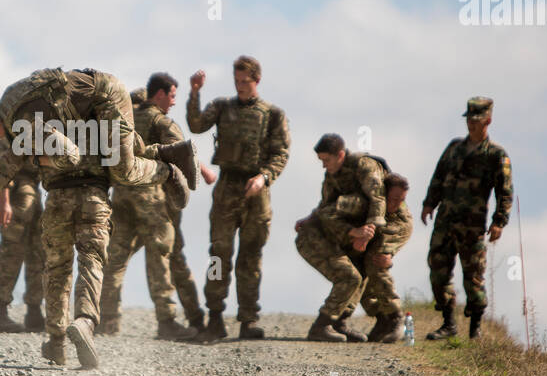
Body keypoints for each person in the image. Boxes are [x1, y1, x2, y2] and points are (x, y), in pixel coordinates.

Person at [0, 68, 197, 367]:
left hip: (107, 94)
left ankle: (168, 169)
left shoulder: (28, 125)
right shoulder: (13, 106)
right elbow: (8, 163)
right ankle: (74, 329)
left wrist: (37, 158)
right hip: (92, 174)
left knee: (122, 168)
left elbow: (68, 155)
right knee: (87, 256)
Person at [99, 75, 215, 340]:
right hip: (148, 195)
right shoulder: (159, 120)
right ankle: (167, 322)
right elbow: (182, 152)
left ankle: (107, 323)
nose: (173, 102)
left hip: (120, 194)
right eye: (172, 96)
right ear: (159, 94)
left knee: (115, 259)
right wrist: (205, 173)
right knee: (160, 255)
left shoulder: (126, 115)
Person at [186, 56, 290, 341]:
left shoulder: (273, 115)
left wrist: (264, 177)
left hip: (255, 190)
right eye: (237, 81)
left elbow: (281, 154)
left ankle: (247, 320)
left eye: (246, 81)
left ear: (257, 80)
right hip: (227, 187)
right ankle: (215, 316)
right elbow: (195, 125)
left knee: (250, 257)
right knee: (219, 254)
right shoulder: (222, 107)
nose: (241, 86)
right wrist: (195, 93)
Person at [422, 96, 514, 340]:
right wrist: (429, 203)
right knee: (437, 270)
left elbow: (505, 192)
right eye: (469, 120)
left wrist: (499, 222)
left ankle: (475, 330)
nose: (471, 125)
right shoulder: (454, 148)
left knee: (473, 278)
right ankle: (448, 323)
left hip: (472, 227)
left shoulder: (496, 155)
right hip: (445, 221)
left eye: (477, 120)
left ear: (488, 120)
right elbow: (438, 177)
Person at [294, 133, 387, 342]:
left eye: (326, 160)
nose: (324, 166)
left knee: (360, 275)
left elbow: (378, 200)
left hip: (340, 235)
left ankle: (339, 323)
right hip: (315, 239)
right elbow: (325, 208)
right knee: (349, 277)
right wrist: (353, 232)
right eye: (321, 161)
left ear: (341, 155)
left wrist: (367, 232)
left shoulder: (365, 167)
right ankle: (321, 326)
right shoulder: (332, 176)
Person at [333, 173, 414, 343]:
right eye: (393, 199)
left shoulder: (401, 216)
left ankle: (395, 317)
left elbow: (393, 239)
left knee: (376, 260)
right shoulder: (371, 201)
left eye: (402, 200)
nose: (396, 204)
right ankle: (381, 317)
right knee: (359, 272)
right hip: (372, 232)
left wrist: (389, 255)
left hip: (394, 230)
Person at [0, 139, 45, 333]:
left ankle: (34, 313)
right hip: (17, 191)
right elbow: (3, 163)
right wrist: (4, 202)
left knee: (38, 251)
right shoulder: (13, 117)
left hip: (33, 189)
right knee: (12, 250)